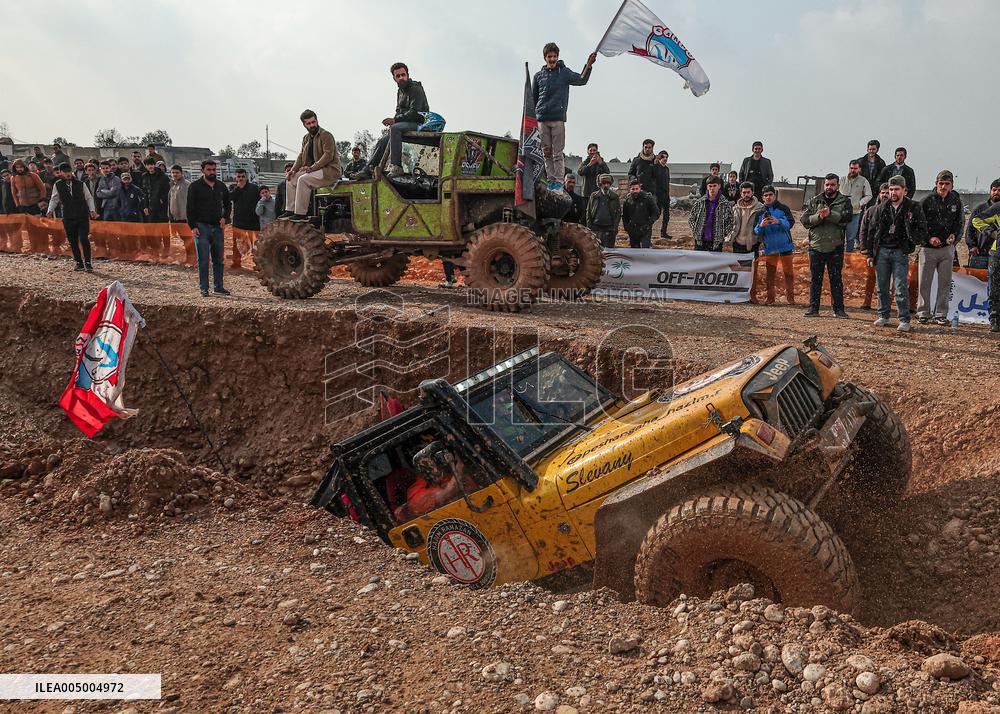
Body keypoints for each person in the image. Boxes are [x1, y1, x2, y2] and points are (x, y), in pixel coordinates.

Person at [531, 43, 596, 192]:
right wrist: (532, 120)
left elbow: (581, 79)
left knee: (557, 153)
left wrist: (589, 65)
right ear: (545, 58)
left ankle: (559, 182)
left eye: (554, 56)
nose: (552, 59)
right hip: (542, 118)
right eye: (549, 57)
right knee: (546, 152)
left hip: (558, 118)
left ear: (557, 57)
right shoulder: (538, 76)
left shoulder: (564, 73)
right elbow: (533, 99)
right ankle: (550, 180)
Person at [870, 175, 927, 332]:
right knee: (882, 286)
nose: (893, 192)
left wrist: (912, 241)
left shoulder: (913, 207)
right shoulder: (882, 207)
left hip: (900, 252)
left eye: (896, 189)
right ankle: (883, 315)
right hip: (882, 250)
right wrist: (869, 252)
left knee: (901, 286)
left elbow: (922, 228)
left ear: (904, 190)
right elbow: (872, 230)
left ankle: (904, 319)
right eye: (891, 189)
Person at [362, 62, 430, 178]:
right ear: (394, 78)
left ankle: (397, 167)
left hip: (420, 123)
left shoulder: (415, 88)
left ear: (407, 75)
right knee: (383, 140)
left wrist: (394, 120)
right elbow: (399, 112)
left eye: (403, 75)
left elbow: (415, 112)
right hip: (406, 123)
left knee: (395, 128)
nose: (401, 78)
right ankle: (368, 169)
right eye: (398, 76)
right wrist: (394, 121)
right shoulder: (400, 92)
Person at [801, 173, 852, 318]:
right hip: (816, 246)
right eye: (827, 184)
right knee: (815, 279)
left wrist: (830, 214)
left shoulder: (844, 201)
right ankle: (813, 308)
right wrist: (819, 216)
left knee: (836, 279)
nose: (829, 187)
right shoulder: (815, 200)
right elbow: (804, 220)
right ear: (824, 185)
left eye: (832, 185)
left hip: (835, 245)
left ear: (838, 185)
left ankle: (838, 309)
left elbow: (847, 218)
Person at [917, 170, 963, 325]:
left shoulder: (956, 201)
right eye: (940, 183)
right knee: (925, 282)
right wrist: (928, 238)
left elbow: (959, 223)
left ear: (951, 185)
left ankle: (941, 314)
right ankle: (923, 312)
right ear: (936, 184)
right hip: (928, 249)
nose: (943, 186)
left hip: (947, 249)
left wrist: (954, 237)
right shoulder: (926, 201)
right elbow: (919, 224)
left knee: (945, 283)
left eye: (946, 184)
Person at [281, 109, 342, 222]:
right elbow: (300, 156)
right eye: (308, 123)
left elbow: (328, 156)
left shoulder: (326, 135)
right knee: (290, 179)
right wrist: (293, 170)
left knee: (303, 180)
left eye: (313, 122)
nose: (312, 125)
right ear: (304, 125)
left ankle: (300, 214)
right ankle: (290, 210)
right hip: (314, 171)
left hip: (329, 171)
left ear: (317, 120)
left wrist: (312, 168)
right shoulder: (306, 138)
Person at [186, 159, 232, 297]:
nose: (212, 172)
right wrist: (193, 226)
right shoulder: (194, 187)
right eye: (209, 170)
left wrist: (225, 218)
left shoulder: (221, 186)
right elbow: (189, 208)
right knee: (204, 259)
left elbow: (228, 204)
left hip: (217, 227)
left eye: (214, 170)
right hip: (201, 226)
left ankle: (218, 287)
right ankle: (204, 288)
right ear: (203, 170)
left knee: (218, 259)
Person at [45, 163, 98, 272]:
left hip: (82, 215)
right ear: (61, 173)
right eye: (65, 171)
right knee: (72, 240)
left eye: (69, 171)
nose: (67, 174)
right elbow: (54, 199)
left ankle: (88, 262)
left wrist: (92, 210)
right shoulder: (58, 185)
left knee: (84, 238)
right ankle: (79, 262)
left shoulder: (80, 184)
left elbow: (88, 198)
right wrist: (50, 210)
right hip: (68, 216)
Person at [754, 185, 796, 305]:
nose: (768, 197)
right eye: (765, 195)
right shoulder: (760, 213)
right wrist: (761, 226)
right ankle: (770, 299)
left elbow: (790, 224)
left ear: (775, 195)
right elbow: (756, 231)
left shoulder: (784, 209)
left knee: (788, 273)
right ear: (762, 198)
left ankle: (791, 299)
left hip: (785, 247)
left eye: (770, 195)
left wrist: (779, 222)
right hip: (770, 248)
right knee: (770, 275)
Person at [858, 182, 890, 310]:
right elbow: (863, 230)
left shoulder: (895, 211)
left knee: (889, 280)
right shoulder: (871, 211)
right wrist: (863, 247)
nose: (885, 195)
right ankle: (867, 302)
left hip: (889, 249)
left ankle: (885, 304)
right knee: (871, 278)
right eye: (883, 193)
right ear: (879, 194)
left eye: (888, 192)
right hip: (873, 251)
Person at [688, 175, 734, 252]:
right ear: (707, 187)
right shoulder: (700, 202)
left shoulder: (725, 204)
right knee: (698, 262)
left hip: (716, 241)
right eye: (710, 186)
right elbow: (691, 218)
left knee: (715, 263)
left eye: (714, 186)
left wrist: (722, 233)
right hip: (700, 240)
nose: (712, 188)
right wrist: (696, 230)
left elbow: (731, 221)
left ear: (719, 186)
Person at [840, 160, 873, 252]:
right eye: (851, 168)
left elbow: (869, 195)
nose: (853, 170)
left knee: (851, 236)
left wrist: (860, 203)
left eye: (855, 168)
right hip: (840, 213)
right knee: (839, 236)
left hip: (854, 213)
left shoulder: (863, 181)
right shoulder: (842, 180)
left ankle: (849, 255)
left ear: (859, 169)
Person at [967, 179, 1000, 270]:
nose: (996, 192)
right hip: (980, 253)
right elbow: (970, 228)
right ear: (990, 191)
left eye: (999, 190)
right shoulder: (980, 209)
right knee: (975, 282)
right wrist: (972, 246)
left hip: (997, 255)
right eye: (994, 190)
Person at [621, 178, 659, 249]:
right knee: (634, 251)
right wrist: (627, 227)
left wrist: (649, 223)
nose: (635, 191)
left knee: (645, 250)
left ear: (640, 188)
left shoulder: (647, 198)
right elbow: (624, 216)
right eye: (633, 189)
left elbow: (656, 212)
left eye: (636, 189)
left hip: (645, 229)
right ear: (630, 189)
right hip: (633, 230)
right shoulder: (628, 201)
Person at [586, 173, 621, 248]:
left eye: (608, 183)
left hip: (609, 229)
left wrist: (614, 227)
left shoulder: (614, 197)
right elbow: (588, 211)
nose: (606, 185)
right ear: (600, 184)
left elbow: (618, 213)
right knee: (596, 250)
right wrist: (590, 226)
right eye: (604, 183)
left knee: (609, 252)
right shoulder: (594, 196)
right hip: (596, 228)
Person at [729, 181, 764, 255]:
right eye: (744, 192)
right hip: (737, 244)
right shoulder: (735, 208)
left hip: (753, 245)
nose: (746, 195)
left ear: (753, 192)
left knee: (752, 266)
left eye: (748, 192)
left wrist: (759, 241)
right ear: (741, 193)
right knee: (738, 266)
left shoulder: (760, 208)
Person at [139, 158, 170, 222]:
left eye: (152, 164)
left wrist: (161, 201)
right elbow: (144, 193)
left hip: (162, 207)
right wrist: (145, 206)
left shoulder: (163, 176)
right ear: (145, 166)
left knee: (162, 229)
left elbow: (167, 191)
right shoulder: (144, 176)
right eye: (148, 165)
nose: (150, 166)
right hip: (150, 207)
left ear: (155, 165)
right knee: (151, 228)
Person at [653, 151, 671, 239]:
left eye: (666, 157)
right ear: (659, 157)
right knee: (657, 213)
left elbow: (667, 182)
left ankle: (663, 232)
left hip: (666, 195)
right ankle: (646, 229)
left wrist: (667, 193)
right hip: (658, 194)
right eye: (663, 157)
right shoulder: (655, 168)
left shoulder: (666, 169)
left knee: (667, 214)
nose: (665, 159)